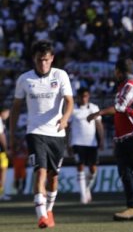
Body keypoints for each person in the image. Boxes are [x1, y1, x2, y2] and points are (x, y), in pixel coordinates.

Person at [9, 39, 74, 228]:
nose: (43, 64)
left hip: (57, 133)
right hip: (35, 133)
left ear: (52, 59)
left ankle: (50, 210)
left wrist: (65, 119)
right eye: (39, 60)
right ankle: (41, 216)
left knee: (54, 178)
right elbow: (15, 109)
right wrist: (12, 136)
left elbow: (69, 101)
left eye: (46, 60)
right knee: (40, 173)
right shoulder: (24, 79)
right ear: (33, 59)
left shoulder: (61, 76)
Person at [87, 58, 133, 221]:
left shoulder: (131, 86)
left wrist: (99, 113)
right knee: (125, 172)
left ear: (119, 71)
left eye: (115, 71)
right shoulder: (128, 86)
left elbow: (120, 107)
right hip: (127, 138)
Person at [68, 87, 104, 204]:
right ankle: (83, 196)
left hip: (91, 143)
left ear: (88, 96)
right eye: (82, 96)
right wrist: (67, 143)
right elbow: (67, 128)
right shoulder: (72, 109)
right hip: (77, 143)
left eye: (86, 96)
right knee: (80, 167)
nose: (84, 99)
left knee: (93, 170)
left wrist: (102, 140)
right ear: (77, 97)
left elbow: (99, 125)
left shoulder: (94, 108)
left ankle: (87, 188)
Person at [0, 108, 10, 201]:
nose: (8, 115)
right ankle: (1, 193)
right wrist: (6, 150)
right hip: (1, 152)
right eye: (7, 112)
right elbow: (1, 136)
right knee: (3, 171)